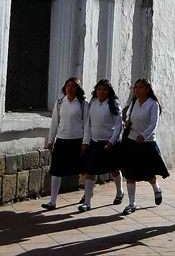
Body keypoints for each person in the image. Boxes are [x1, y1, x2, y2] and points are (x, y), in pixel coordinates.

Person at [116, 78, 170, 215]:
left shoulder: (153, 104)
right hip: (131, 141)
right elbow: (128, 118)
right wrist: (126, 124)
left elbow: (153, 124)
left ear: (147, 89)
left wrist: (144, 135)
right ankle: (131, 203)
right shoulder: (133, 102)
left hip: (146, 143)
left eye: (140, 87)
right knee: (130, 174)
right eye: (135, 87)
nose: (137, 90)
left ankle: (157, 189)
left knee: (148, 174)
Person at [42, 77, 87, 211]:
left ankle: (87, 195)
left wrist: (85, 142)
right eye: (68, 86)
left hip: (77, 140)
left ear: (78, 89)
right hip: (62, 140)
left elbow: (86, 124)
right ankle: (52, 201)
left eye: (73, 86)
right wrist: (51, 140)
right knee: (56, 171)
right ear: (65, 87)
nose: (70, 88)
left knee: (83, 170)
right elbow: (54, 122)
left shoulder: (83, 104)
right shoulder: (60, 102)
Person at [78, 79, 122, 212]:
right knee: (90, 171)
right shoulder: (93, 103)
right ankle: (87, 202)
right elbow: (88, 123)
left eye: (104, 90)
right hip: (94, 142)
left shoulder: (113, 103)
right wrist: (85, 141)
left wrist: (111, 141)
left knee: (114, 170)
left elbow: (119, 125)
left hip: (109, 143)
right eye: (99, 89)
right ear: (96, 91)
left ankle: (119, 192)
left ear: (109, 91)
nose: (101, 92)